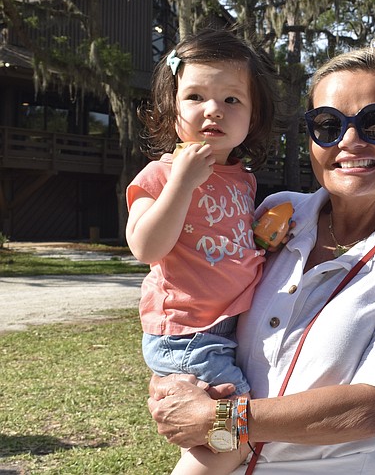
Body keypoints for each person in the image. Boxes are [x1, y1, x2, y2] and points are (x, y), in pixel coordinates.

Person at [147, 44, 375, 475]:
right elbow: (195, 288)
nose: (349, 141)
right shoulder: (275, 214)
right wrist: (175, 376)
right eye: (327, 125)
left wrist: (221, 420)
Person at [128, 27, 280, 473]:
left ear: (252, 118)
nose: (213, 109)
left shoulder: (245, 181)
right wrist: (181, 183)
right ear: (172, 111)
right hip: (188, 334)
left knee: (222, 431)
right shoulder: (160, 174)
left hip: (226, 328)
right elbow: (145, 246)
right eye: (195, 96)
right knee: (233, 433)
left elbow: (225, 242)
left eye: (232, 99)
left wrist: (264, 240)